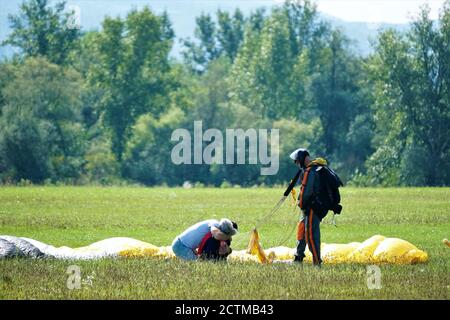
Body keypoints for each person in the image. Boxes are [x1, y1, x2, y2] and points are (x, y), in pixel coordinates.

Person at [290, 148, 340, 266]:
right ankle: (298, 258)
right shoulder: (315, 168)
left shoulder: (310, 171)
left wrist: (300, 204)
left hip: (313, 208)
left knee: (311, 235)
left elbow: (306, 192)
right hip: (314, 207)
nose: (296, 163)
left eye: (296, 161)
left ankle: (317, 262)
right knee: (302, 230)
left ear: (302, 160)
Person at [172, 218, 238, 261]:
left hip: (184, 245)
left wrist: (228, 250)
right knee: (197, 266)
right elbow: (217, 235)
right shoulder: (214, 224)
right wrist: (228, 236)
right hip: (181, 246)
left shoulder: (216, 226)